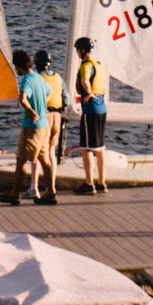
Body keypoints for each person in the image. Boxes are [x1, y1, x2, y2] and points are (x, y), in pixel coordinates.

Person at [0, 49, 52, 204]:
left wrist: (31, 110)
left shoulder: (27, 79)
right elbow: (50, 92)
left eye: (15, 67)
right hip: (44, 126)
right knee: (44, 160)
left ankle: (14, 195)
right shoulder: (39, 78)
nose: (16, 70)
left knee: (21, 160)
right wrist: (42, 107)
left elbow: (23, 98)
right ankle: (51, 192)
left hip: (31, 127)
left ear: (19, 66)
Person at [74, 36, 108, 194]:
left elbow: (85, 81)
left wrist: (88, 93)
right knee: (100, 147)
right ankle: (101, 182)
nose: (77, 53)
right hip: (102, 108)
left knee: (86, 148)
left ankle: (89, 184)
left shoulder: (86, 65)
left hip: (90, 111)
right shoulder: (99, 65)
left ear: (82, 50)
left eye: (77, 50)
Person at [34, 50, 66, 199]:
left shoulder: (38, 78)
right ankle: (51, 187)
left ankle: (34, 187)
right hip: (57, 116)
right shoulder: (58, 77)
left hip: (45, 117)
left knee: (39, 152)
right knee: (52, 152)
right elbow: (66, 99)